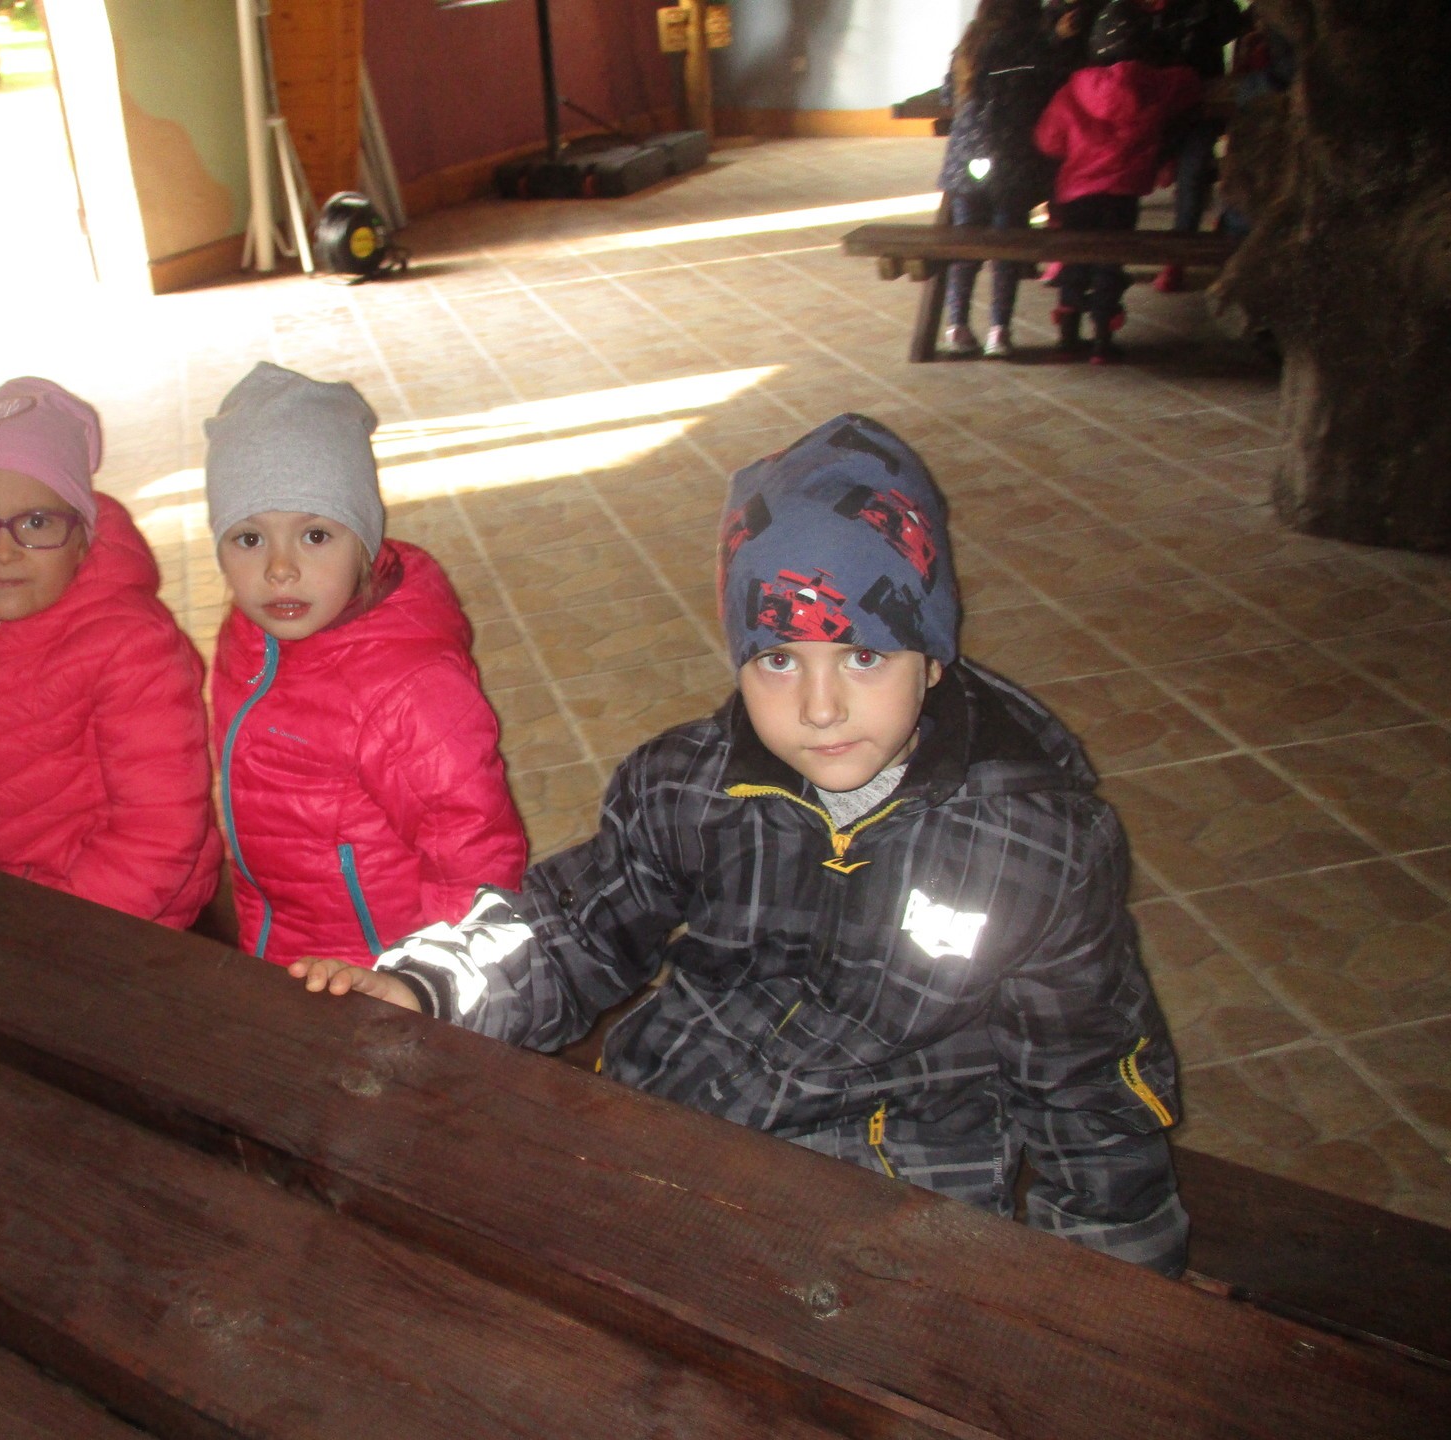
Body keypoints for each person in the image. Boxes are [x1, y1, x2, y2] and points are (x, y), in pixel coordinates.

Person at [289, 413, 1190, 1276]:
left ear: (933, 654)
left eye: (865, 656)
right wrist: (429, 984)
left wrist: (1116, 1281)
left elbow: (1088, 1082)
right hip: (671, 1137)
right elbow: (570, 929)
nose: (821, 707)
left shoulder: (1036, 847)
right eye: (779, 659)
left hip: (890, 1200)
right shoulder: (686, 786)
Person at [205, 362, 527, 968]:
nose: (279, 569)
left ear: (364, 540)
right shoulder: (250, 640)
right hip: (282, 943)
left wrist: (435, 983)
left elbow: (473, 854)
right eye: (248, 538)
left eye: (315, 535)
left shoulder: (409, 690)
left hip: (382, 970)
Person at [0, 376, 222, 928]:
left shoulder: (133, 646)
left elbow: (158, 829)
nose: (2, 550)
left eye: (36, 523)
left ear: (84, 537)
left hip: (125, 911)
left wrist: (52, 929)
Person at [1034, 0, 1204, 362]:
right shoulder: (1155, 84)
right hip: (1123, 193)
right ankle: (1102, 339)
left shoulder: (1073, 87)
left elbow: (1048, 140)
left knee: (1075, 257)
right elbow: (1190, 84)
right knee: (1110, 261)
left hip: (1076, 194)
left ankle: (1068, 330)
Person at [937, 0, 1063, 359]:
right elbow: (1050, 90)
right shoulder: (1033, 45)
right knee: (1007, 248)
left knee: (966, 244)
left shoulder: (970, 42)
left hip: (965, 162)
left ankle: (956, 325)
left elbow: (948, 95)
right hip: (1014, 163)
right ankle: (999, 331)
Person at [1145, 0, 1246, 292]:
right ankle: (1100, 267)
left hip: (1201, 102)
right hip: (1160, 102)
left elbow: (1229, 27)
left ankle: (1177, 260)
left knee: (1192, 176)